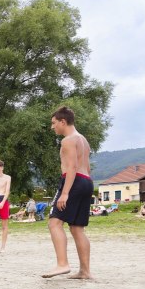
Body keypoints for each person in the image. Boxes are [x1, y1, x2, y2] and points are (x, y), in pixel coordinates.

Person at [42, 106, 94, 279]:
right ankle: (85, 271)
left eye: (54, 123)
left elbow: (71, 167)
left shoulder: (68, 140)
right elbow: (86, 167)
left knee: (54, 223)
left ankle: (62, 264)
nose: (52, 126)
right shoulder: (83, 140)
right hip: (86, 181)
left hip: (73, 181)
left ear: (63, 122)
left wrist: (65, 193)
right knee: (77, 229)